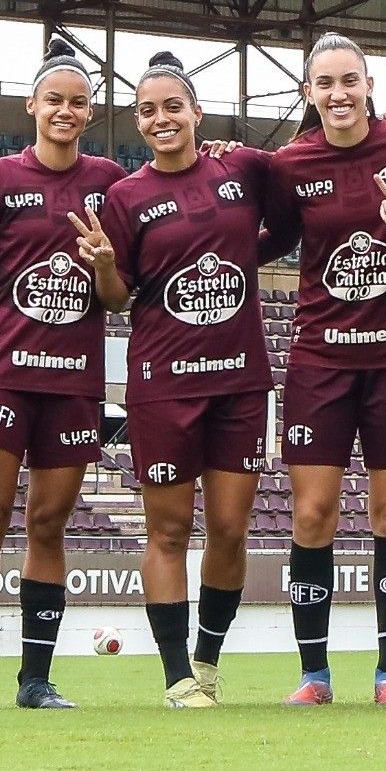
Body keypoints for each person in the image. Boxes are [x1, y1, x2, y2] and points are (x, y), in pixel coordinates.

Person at [257, 32, 386, 707]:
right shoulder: (291, 163)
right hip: (319, 361)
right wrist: (223, 252)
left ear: (369, 84)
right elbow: (282, 235)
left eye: (351, 80)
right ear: (308, 93)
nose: (339, 93)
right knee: (312, 513)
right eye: (326, 83)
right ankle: (313, 673)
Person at [69, 52, 275, 708]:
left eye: (172, 106)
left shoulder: (242, 169)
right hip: (164, 384)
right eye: (149, 110)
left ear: (195, 112)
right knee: (167, 532)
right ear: (138, 121)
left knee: (231, 530)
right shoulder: (127, 197)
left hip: (241, 380)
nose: (162, 118)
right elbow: (115, 298)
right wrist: (102, 262)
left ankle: (209, 661)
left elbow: (301, 204)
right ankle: (177, 675)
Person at [0, 37, 127, 711]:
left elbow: (119, 292)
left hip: (73, 382)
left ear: (89, 112)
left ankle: (35, 680)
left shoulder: (109, 182)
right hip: (2, 376)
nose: (65, 110)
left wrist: (102, 262)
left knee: (48, 525)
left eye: (77, 102)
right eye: (54, 100)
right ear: (31, 106)